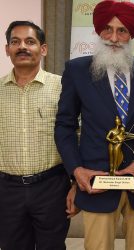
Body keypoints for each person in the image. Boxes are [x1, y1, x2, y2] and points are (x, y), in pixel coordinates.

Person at [54, 1, 134, 250]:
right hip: (95, 183)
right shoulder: (76, 70)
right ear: (98, 31)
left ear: (132, 35)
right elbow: (64, 126)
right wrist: (76, 171)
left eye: (122, 31)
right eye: (108, 29)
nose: (114, 38)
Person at [0, 21, 74, 250]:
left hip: (51, 187)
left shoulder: (63, 87)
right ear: (7, 50)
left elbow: (77, 136)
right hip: (6, 191)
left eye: (30, 41)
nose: (22, 47)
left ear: (43, 49)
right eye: (15, 42)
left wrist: (76, 185)